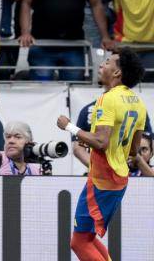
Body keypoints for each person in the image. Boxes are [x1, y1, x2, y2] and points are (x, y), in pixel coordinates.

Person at [57, 47, 147, 261]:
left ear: (117, 73)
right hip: (118, 178)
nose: (101, 65)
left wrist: (69, 127)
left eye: (107, 62)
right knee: (85, 238)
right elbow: (134, 150)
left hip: (102, 178)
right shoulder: (139, 103)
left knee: (78, 243)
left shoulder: (108, 99)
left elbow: (101, 142)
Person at [73, 98, 152, 169]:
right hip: (113, 168)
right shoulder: (137, 107)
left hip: (127, 167)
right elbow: (78, 149)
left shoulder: (89, 109)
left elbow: (148, 143)